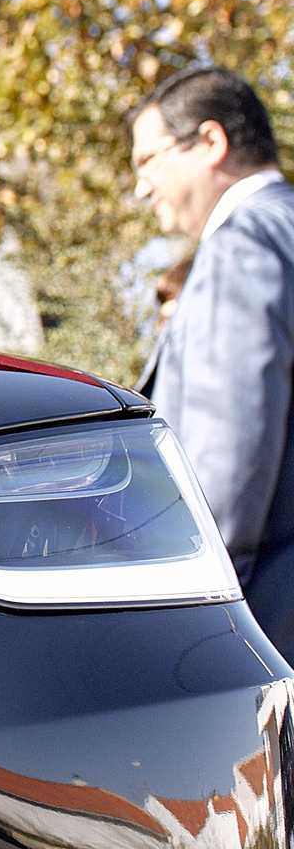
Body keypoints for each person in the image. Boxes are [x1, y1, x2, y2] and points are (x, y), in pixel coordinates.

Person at [131, 66, 294, 641]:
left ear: (209, 142)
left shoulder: (242, 245)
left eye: (148, 162)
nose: (141, 188)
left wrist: (203, 619)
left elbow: (227, 450)